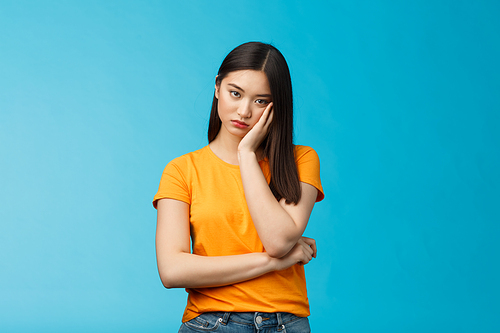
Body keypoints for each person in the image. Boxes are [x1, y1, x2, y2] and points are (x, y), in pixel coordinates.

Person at [153, 41, 324, 333]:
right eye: (235, 93)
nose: (244, 111)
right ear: (217, 87)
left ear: (276, 105)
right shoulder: (182, 170)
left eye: (260, 101)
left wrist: (246, 154)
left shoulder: (301, 160)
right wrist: (275, 263)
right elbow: (172, 271)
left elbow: (278, 241)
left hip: (286, 324)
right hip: (210, 323)